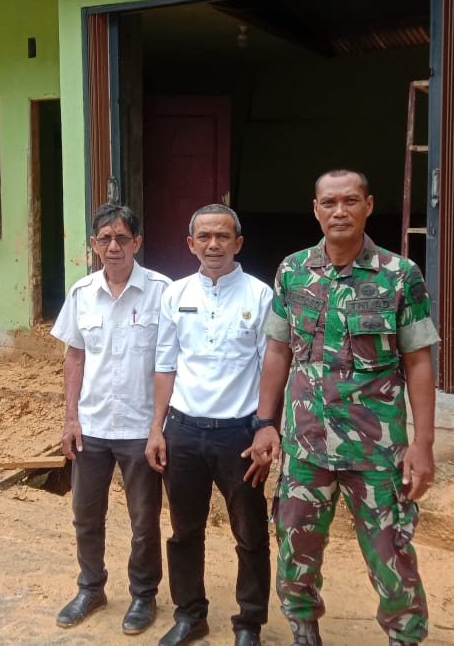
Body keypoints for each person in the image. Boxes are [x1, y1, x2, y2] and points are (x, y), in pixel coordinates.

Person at [242, 169, 439, 646]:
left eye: (350, 201)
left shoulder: (399, 275)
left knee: (390, 552)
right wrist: (265, 423)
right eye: (329, 202)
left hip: (376, 451)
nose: (339, 211)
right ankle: (304, 630)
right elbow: (277, 351)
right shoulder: (292, 271)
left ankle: (404, 637)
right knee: (295, 547)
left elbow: (418, 362)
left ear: (369, 205)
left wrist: (423, 444)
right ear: (315, 209)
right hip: (306, 446)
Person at [145, 204, 274, 646]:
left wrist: (264, 427)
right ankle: (189, 614)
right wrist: (157, 428)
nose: (213, 244)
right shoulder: (176, 294)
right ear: (191, 244)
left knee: (250, 531)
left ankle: (249, 622)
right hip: (183, 432)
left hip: (238, 436)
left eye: (223, 236)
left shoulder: (260, 296)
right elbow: (165, 365)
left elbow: (270, 368)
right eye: (204, 237)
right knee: (184, 531)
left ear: (238, 243)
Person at [50, 202, 170, 636]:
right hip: (93, 427)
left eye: (122, 238)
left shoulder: (163, 291)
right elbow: (75, 358)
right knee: (85, 513)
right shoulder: (82, 293)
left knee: (144, 518)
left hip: (142, 429)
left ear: (137, 242)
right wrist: (70, 420)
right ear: (94, 244)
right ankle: (91, 587)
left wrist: (159, 425)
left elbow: (169, 363)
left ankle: (143, 595)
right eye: (105, 239)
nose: (113, 246)